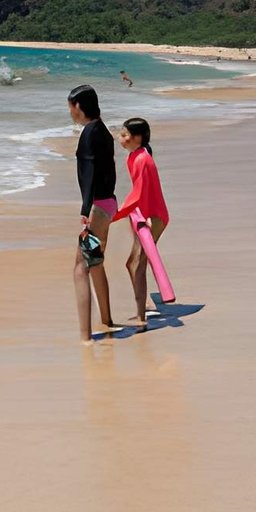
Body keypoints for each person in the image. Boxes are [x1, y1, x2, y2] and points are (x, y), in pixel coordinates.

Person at [68, 84, 117, 342]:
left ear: (78, 106)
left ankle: (86, 336)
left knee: (80, 267)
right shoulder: (104, 130)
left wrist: (85, 211)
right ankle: (107, 321)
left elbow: (89, 175)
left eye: (70, 107)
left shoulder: (88, 133)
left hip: (97, 206)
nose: (70, 112)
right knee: (95, 263)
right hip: (109, 202)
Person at [111, 117, 169, 330]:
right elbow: (138, 195)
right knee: (132, 263)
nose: (121, 139)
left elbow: (137, 194)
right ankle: (144, 305)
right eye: (121, 134)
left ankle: (141, 316)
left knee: (138, 264)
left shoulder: (142, 159)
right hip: (141, 215)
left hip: (154, 219)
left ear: (138, 138)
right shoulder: (135, 157)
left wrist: (115, 215)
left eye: (125, 135)